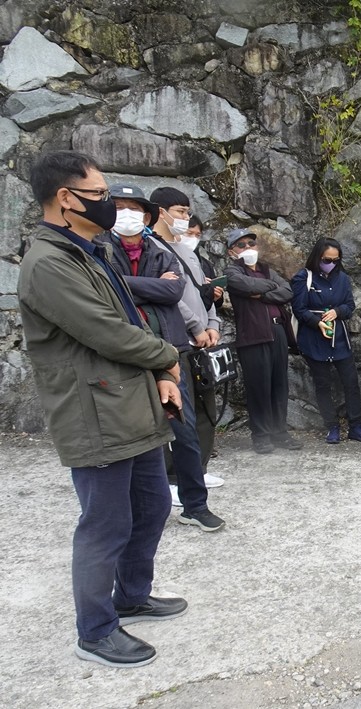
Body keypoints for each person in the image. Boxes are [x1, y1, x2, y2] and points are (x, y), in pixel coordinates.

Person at [18, 150, 186, 667]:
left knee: (154, 505)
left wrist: (160, 374)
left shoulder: (90, 251)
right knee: (105, 524)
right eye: (99, 194)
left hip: (128, 402)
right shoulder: (48, 263)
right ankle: (95, 630)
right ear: (65, 199)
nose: (111, 204)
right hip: (94, 411)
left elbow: (131, 319)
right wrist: (169, 357)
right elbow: (105, 332)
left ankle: (131, 594)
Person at [100, 185, 226, 532]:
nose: (127, 215)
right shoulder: (99, 250)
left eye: (135, 209)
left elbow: (175, 290)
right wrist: (150, 285)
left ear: (146, 215)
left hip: (171, 349)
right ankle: (131, 509)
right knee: (133, 433)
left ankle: (195, 505)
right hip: (126, 354)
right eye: (119, 207)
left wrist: (131, 285)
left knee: (184, 430)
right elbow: (104, 286)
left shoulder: (160, 250)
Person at [149, 188, 226, 493]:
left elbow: (202, 290)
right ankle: (174, 477)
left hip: (202, 339)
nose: (184, 218)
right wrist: (196, 327)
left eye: (186, 211)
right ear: (159, 210)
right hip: (178, 340)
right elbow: (172, 298)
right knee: (180, 411)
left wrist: (213, 323)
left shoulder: (186, 249)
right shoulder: (154, 249)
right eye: (180, 211)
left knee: (205, 407)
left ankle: (198, 467)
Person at [224, 228, 302, 454]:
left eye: (251, 243)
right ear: (232, 252)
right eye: (241, 245)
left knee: (280, 385)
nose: (248, 248)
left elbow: (287, 291)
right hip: (253, 335)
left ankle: (280, 433)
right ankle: (261, 435)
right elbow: (246, 286)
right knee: (258, 387)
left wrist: (262, 292)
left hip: (277, 332)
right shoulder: (231, 272)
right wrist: (266, 287)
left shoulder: (268, 270)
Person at [291, 237, 361, 444]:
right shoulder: (304, 277)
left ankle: (356, 426)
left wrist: (338, 311)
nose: (331, 264)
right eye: (327, 259)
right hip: (314, 337)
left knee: (351, 383)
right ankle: (332, 427)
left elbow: (350, 305)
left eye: (336, 260)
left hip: (338, 337)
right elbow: (298, 308)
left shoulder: (343, 279)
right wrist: (316, 321)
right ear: (318, 257)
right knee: (322, 384)